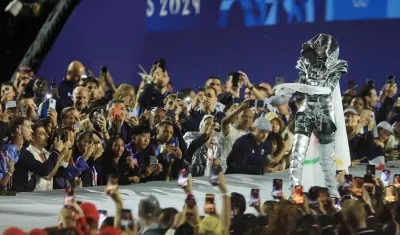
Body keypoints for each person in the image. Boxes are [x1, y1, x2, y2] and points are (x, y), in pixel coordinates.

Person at [280, 34, 349, 198]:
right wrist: (288, 89)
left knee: (326, 160)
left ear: (329, 49)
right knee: (297, 155)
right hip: (307, 111)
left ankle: (333, 192)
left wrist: (308, 89)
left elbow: (328, 88)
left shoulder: (337, 66)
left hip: (324, 113)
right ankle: (293, 192)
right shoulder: (306, 62)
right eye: (317, 46)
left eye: (323, 47)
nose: (319, 49)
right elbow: (301, 84)